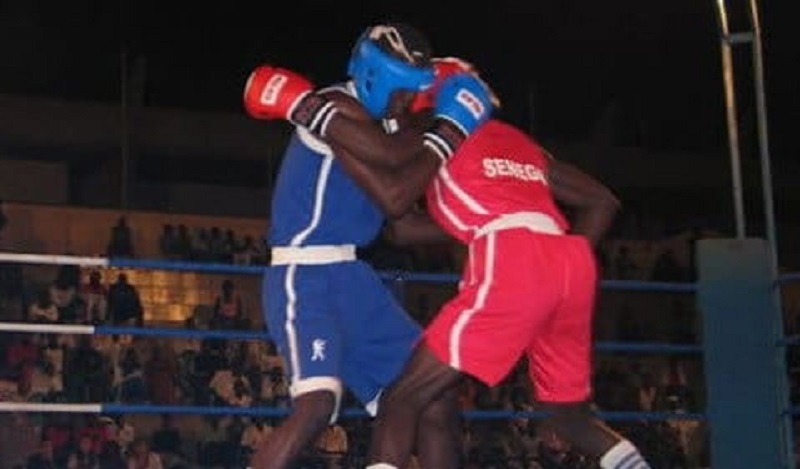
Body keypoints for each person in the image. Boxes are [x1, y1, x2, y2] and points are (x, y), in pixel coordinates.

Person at [264, 57, 652, 468]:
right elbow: (603, 201)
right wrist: (552, 269)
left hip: (511, 260)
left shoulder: (435, 139)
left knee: (403, 398)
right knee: (570, 418)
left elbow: (399, 210)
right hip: (570, 262)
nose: (402, 107)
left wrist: (512, 253)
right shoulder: (517, 141)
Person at [241, 24, 495, 469]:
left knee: (432, 397)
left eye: (413, 95)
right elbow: (396, 177)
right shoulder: (337, 107)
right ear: (376, 78)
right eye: (402, 93)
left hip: (353, 278)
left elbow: (402, 226)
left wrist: (484, 224)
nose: (405, 103)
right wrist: (451, 127)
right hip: (305, 276)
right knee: (317, 407)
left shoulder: (392, 124)